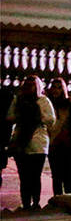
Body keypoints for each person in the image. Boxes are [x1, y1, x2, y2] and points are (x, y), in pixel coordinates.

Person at [5, 75, 55, 210]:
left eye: (32, 85)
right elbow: (10, 117)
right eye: (26, 84)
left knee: (35, 175)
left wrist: (35, 115)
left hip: (37, 143)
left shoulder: (43, 101)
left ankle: (36, 202)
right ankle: (26, 202)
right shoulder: (18, 100)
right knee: (24, 176)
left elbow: (50, 119)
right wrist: (22, 115)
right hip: (21, 143)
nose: (29, 87)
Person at [45, 77, 71, 195]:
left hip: (66, 143)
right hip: (52, 142)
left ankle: (68, 198)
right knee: (56, 175)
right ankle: (57, 198)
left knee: (68, 174)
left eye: (59, 88)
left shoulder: (69, 103)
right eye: (54, 87)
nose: (56, 90)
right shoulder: (47, 103)